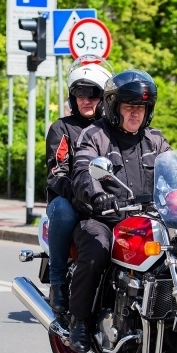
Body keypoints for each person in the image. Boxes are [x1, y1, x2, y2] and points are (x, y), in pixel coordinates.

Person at [67, 69, 172, 352]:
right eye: (130, 107)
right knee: (97, 248)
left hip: (146, 220)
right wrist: (97, 196)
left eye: (141, 108)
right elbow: (82, 171)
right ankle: (79, 322)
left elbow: (176, 172)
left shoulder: (155, 140)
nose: (136, 114)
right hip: (104, 217)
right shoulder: (95, 135)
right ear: (115, 107)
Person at [45, 57, 113, 314]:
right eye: (80, 93)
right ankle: (58, 282)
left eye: (94, 93)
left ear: (104, 96)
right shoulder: (63, 127)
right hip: (69, 198)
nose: (86, 99)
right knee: (63, 210)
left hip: (108, 198)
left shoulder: (110, 128)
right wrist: (77, 193)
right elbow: (57, 170)